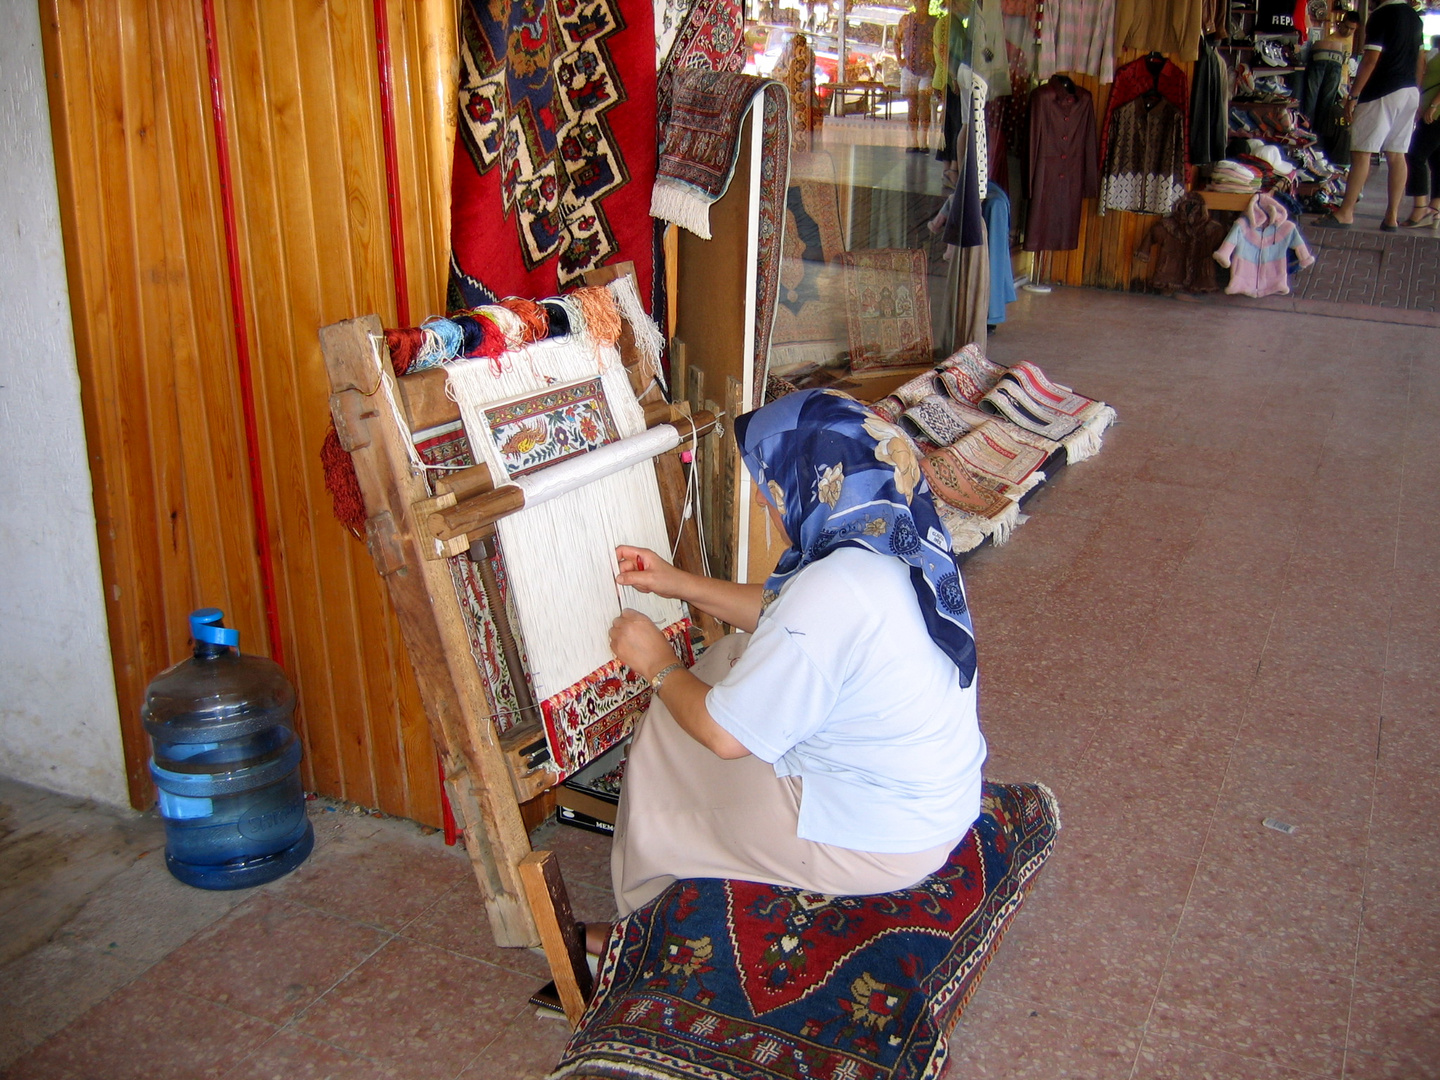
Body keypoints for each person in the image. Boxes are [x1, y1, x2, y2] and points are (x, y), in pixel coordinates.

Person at [597, 390, 986, 938]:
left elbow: (722, 736)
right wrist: (676, 582)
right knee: (730, 657)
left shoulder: (834, 587)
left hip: (871, 843)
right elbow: (784, 615)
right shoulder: (896, 538)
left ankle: (645, 927)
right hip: (933, 808)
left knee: (669, 731)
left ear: (818, 477)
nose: (762, 500)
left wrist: (659, 666)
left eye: (771, 477)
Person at [1314, 0, 1424, 230]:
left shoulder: (1382, 15)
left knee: (1362, 153)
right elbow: (1420, 60)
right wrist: (1416, 92)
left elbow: (1371, 59)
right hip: (1410, 91)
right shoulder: (1414, 18)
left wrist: (1353, 95)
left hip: (1382, 90)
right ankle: (1391, 217)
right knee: (1397, 154)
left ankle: (1346, 212)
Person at [1400, 42, 1440, 226]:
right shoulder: (1432, 53)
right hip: (1431, 112)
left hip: (1435, 114)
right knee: (1436, 159)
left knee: (1415, 155)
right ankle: (1435, 208)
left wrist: (1433, 105)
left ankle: (1420, 208)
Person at [897, 2, 938, 152]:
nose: (923, 5)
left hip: (927, 69)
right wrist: (900, 59)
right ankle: (913, 140)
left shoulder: (934, 22)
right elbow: (897, 40)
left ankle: (923, 140)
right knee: (912, 105)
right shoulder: (906, 20)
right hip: (910, 68)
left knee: (924, 102)